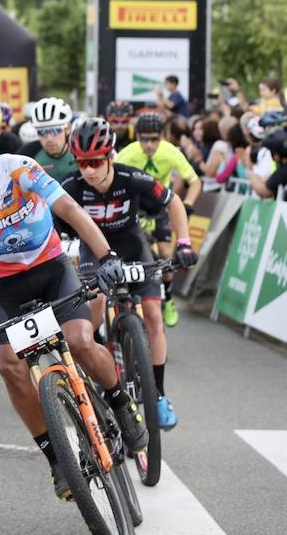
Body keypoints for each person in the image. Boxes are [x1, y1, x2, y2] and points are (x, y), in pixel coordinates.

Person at [0, 117, 149, 499]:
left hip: (52, 267)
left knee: (79, 341)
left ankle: (120, 401)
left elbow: (70, 210)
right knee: (9, 364)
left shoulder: (18, 169)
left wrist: (106, 255)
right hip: (5, 286)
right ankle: (56, 457)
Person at [58, 118, 196, 430]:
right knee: (92, 314)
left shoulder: (132, 177)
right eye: (81, 163)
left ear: (110, 157)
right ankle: (96, 369)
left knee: (153, 315)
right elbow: (49, 219)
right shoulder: (71, 187)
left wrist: (184, 243)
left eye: (95, 162)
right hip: (95, 250)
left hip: (132, 245)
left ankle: (158, 395)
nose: (88, 171)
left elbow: (173, 203)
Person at [115, 110, 202, 328]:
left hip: (159, 204)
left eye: (154, 139)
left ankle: (169, 299)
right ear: (137, 137)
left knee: (165, 253)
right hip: (135, 204)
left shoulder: (170, 152)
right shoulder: (127, 154)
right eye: (144, 139)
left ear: (161, 137)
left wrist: (188, 203)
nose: (149, 145)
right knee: (137, 248)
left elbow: (195, 181)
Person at [18, 97, 77, 182]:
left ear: (68, 128)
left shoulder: (79, 151)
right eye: (42, 132)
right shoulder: (28, 153)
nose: (49, 138)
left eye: (55, 130)